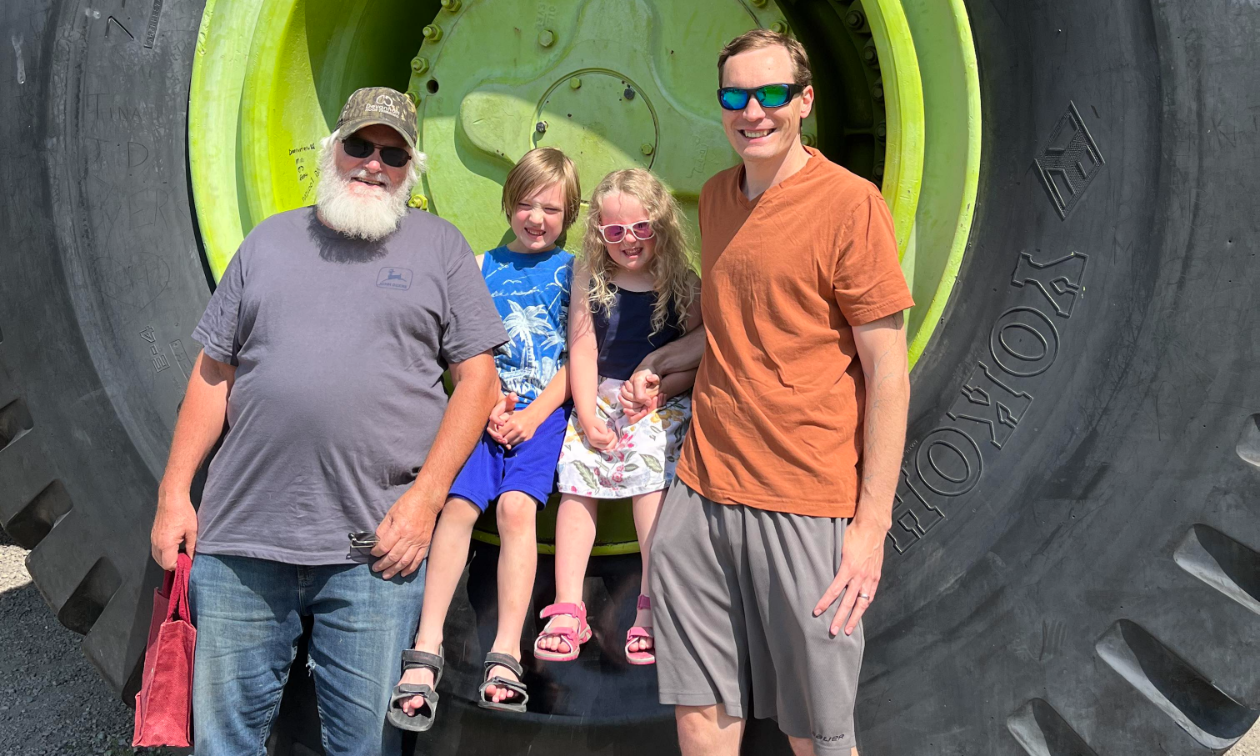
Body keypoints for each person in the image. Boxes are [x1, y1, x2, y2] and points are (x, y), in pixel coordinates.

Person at [148, 87, 508, 756]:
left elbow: (478, 383)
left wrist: (426, 503)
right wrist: (174, 495)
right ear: (329, 150)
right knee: (221, 745)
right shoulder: (268, 241)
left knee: (363, 748)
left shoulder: (441, 248)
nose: (374, 164)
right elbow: (211, 375)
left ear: (412, 168)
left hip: (374, 553)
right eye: (359, 146)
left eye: (393, 154)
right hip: (241, 545)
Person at [625, 31, 915, 756]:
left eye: (772, 94)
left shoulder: (851, 205)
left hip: (803, 500)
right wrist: (669, 359)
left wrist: (870, 529)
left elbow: (887, 372)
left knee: (816, 730)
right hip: (700, 491)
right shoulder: (720, 197)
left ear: (804, 101)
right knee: (699, 712)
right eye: (735, 96)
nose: (753, 111)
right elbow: (741, 328)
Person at [389, 148, 582, 729]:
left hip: (541, 416)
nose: (536, 217)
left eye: (551, 208)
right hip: (483, 409)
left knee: (517, 511)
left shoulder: (576, 271)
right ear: (508, 204)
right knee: (457, 508)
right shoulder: (479, 266)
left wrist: (532, 414)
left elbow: (579, 358)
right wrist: (488, 400)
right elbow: (459, 348)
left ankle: (505, 653)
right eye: (525, 204)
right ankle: (425, 651)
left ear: (569, 214)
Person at [533, 169, 702, 667]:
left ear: (661, 225)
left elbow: (705, 345)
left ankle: (648, 605)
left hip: (657, 403)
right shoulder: (592, 276)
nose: (629, 240)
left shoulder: (681, 282)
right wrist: (585, 412)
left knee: (650, 478)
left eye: (642, 228)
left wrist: (659, 383)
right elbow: (582, 347)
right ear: (598, 234)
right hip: (600, 396)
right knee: (577, 483)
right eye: (614, 232)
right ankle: (568, 605)